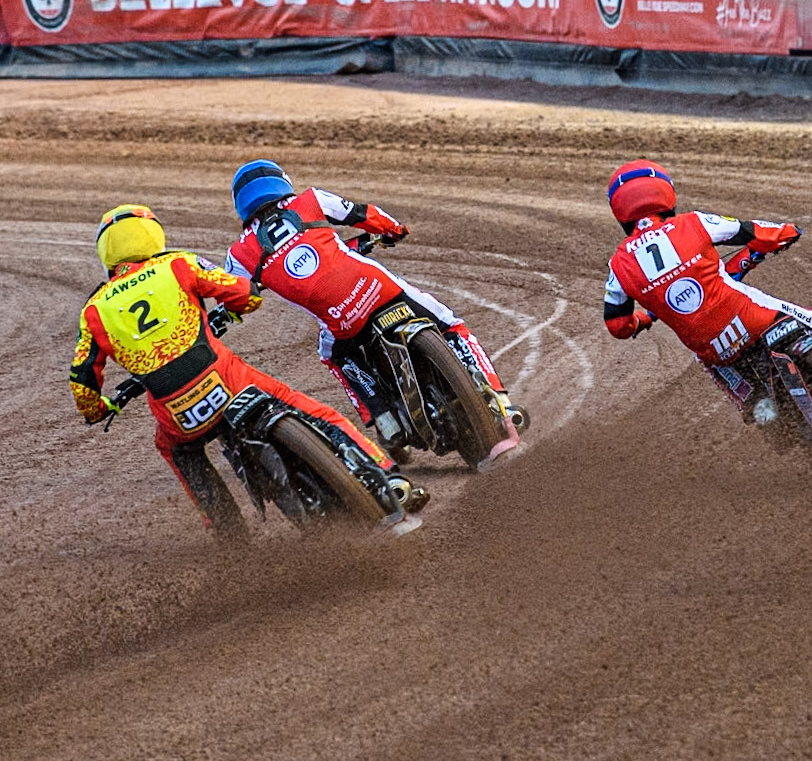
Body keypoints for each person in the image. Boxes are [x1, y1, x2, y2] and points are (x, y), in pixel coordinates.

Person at [71, 205, 423, 539]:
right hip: (226, 379)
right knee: (307, 407)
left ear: (106, 251)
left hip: (175, 413)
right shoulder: (179, 264)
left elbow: (82, 381)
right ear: (152, 235)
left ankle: (227, 532)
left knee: (175, 450)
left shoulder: (93, 310)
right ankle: (385, 475)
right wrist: (240, 305)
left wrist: (100, 409)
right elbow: (242, 294)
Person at [601, 159, 812, 450]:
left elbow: (617, 325)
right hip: (755, 318)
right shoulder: (693, 223)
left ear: (620, 211)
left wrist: (642, 320)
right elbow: (755, 232)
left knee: (710, 358)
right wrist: (788, 232)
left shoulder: (619, 266)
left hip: (715, 348)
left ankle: (758, 406)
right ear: (665, 195)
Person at [222, 160, 522, 463]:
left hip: (343, 322)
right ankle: (502, 402)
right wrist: (394, 231)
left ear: (241, 204)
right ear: (282, 182)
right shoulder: (310, 199)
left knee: (333, 356)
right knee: (451, 325)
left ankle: (383, 418)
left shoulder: (239, 254)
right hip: (380, 289)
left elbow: (237, 298)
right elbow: (364, 214)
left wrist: (231, 311)